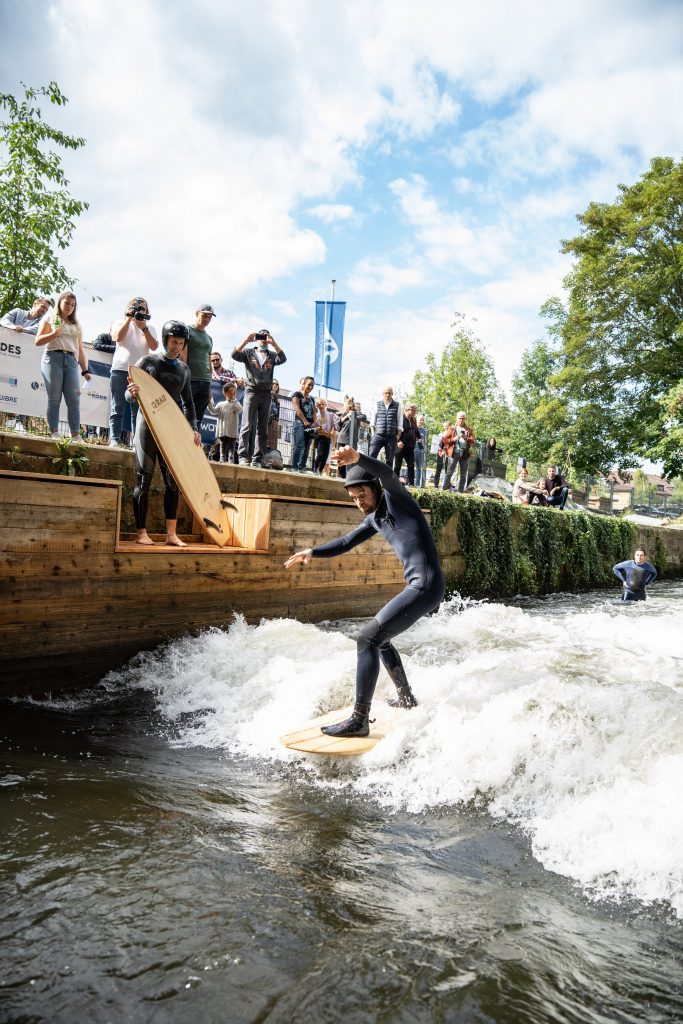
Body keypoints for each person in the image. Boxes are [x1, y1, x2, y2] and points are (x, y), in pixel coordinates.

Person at [284, 447, 445, 737]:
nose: (359, 502)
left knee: (366, 637)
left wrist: (358, 458)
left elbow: (388, 474)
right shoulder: (374, 517)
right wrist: (313, 551)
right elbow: (346, 542)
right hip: (421, 586)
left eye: (363, 495)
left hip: (426, 586)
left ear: (375, 489)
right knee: (380, 639)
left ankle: (359, 720)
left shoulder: (397, 500)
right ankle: (406, 698)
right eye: (354, 498)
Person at [126, 320, 200, 547]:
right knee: (143, 481)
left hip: (171, 430)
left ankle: (171, 535)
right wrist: (131, 393)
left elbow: (188, 403)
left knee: (173, 483)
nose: (177, 346)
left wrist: (194, 429)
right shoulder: (148, 362)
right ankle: (141, 533)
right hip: (147, 426)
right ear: (166, 339)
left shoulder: (184, 369)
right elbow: (130, 397)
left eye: (181, 343)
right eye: (173, 341)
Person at [35, 291, 91, 439]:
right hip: (53, 357)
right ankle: (54, 431)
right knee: (54, 397)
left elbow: (80, 349)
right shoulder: (50, 317)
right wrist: (54, 334)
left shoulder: (76, 324)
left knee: (74, 399)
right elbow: (38, 341)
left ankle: (75, 436)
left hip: (72, 361)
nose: (69, 307)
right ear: (60, 302)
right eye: (67, 303)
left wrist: (85, 370)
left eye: (73, 305)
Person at [232, 329, 286, 468]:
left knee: (263, 429)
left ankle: (258, 459)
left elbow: (283, 358)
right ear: (256, 338)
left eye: (266, 337)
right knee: (247, 425)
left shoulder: (272, 355)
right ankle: (243, 457)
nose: (263, 339)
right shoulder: (248, 353)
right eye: (260, 337)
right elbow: (234, 355)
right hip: (251, 392)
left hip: (266, 394)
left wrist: (274, 343)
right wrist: (246, 340)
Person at [108, 296, 158, 447]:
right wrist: (129, 319)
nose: (139, 311)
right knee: (117, 407)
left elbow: (154, 347)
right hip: (120, 369)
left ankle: (136, 443)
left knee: (137, 411)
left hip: (139, 373)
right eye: (135, 307)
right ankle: (114, 439)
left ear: (147, 311)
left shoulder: (150, 328)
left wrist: (143, 327)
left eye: (142, 308)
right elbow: (117, 337)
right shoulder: (120, 323)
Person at [182, 304, 217, 429]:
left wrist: (211, 384)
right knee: (185, 415)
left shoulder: (209, 338)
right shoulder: (187, 330)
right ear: (197, 314)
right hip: (191, 380)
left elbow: (209, 361)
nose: (207, 319)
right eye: (204, 316)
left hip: (205, 381)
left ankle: (191, 447)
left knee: (198, 419)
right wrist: (184, 377)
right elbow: (183, 355)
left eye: (209, 317)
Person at [207, 382, 242, 464]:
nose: (233, 395)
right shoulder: (221, 404)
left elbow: (240, 409)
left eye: (234, 393)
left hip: (232, 431)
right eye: (230, 393)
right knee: (223, 445)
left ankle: (231, 460)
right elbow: (213, 411)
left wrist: (235, 401)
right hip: (223, 431)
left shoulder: (236, 404)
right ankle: (222, 459)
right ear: (225, 393)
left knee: (232, 447)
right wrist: (209, 403)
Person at [442, 411, 475, 492]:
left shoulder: (469, 429)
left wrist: (466, 438)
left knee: (463, 475)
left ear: (465, 419)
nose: (461, 420)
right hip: (454, 452)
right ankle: (444, 489)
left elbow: (473, 441)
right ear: (456, 419)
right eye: (460, 418)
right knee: (450, 471)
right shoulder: (452, 428)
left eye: (463, 418)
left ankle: (460, 492)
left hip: (465, 453)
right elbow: (445, 440)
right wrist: (454, 439)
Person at [369, 386, 402, 466]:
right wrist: (373, 434)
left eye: (389, 393)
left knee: (390, 460)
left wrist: (398, 435)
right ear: (383, 394)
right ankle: (370, 477)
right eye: (386, 393)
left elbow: (400, 421)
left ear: (392, 394)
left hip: (391, 437)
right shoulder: (377, 404)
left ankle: (387, 478)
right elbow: (373, 420)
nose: (387, 395)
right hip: (378, 435)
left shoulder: (398, 405)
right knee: (371, 456)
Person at [291, 375, 316, 472]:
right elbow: (296, 408)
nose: (310, 387)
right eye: (309, 385)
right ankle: (294, 467)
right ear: (304, 384)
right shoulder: (297, 394)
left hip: (309, 425)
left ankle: (301, 467)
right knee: (299, 444)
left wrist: (315, 422)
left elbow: (314, 411)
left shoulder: (312, 399)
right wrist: (304, 420)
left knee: (307, 447)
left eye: (312, 386)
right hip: (299, 422)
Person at [394, 404, 418, 485]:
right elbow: (395, 431)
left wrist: (420, 437)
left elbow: (416, 430)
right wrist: (398, 441)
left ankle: (411, 484)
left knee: (411, 466)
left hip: (410, 447)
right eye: (413, 411)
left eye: (415, 411)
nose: (414, 413)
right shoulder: (400, 419)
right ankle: (395, 483)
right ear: (407, 410)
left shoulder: (413, 420)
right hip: (400, 446)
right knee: (397, 466)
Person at [313, 397, 336, 474]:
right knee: (320, 454)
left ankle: (320, 471)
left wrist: (331, 432)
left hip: (328, 438)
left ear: (326, 405)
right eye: (319, 404)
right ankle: (315, 469)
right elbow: (315, 426)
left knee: (325, 456)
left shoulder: (330, 415)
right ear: (317, 406)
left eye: (323, 404)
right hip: (320, 437)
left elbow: (333, 425)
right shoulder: (316, 415)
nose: (321, 406)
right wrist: (318, 428)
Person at [334, 396, 356, 478]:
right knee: (340, 456)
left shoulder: (356, 414)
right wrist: (347, 416)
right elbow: (337, 424)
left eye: (344, 405)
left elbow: (362, 419)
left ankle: (348, 475)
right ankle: (340, 475)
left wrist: (353, 414)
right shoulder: (344, 414)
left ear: (348, 405)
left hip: (350, 440)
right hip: (342, 439)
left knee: (349, 458)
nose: (343, 407)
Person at [432, 420, 451, 488]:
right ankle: (436, 485)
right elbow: (436, 444)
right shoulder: (440, 434)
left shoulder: (451, 435)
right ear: (443, 426)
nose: (446, 428)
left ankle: (446, 485)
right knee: (438, 469)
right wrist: (440, 451)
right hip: (440, 454)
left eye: (448, 427)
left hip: (448, 454)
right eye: (445, 426)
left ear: (450, 427)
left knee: (447, 470)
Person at [414, 414, 428, 487]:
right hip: (411, 450)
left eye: (423, 420)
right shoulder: (412, 428)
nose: (421, 421)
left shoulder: (424, 431)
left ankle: (417, 484)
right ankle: (408, 483)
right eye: (420, 419)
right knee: (410, 466)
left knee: (418, 468)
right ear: (416, 420)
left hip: (420, 451)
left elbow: (425, 442)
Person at [267, 380, 281, 451]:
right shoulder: (267, 394)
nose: (275, 385)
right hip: (266, 419)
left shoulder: (277, 399)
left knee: (273, 441)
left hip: (274, 421)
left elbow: (277, 413)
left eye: (277, 384)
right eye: (273, 383)